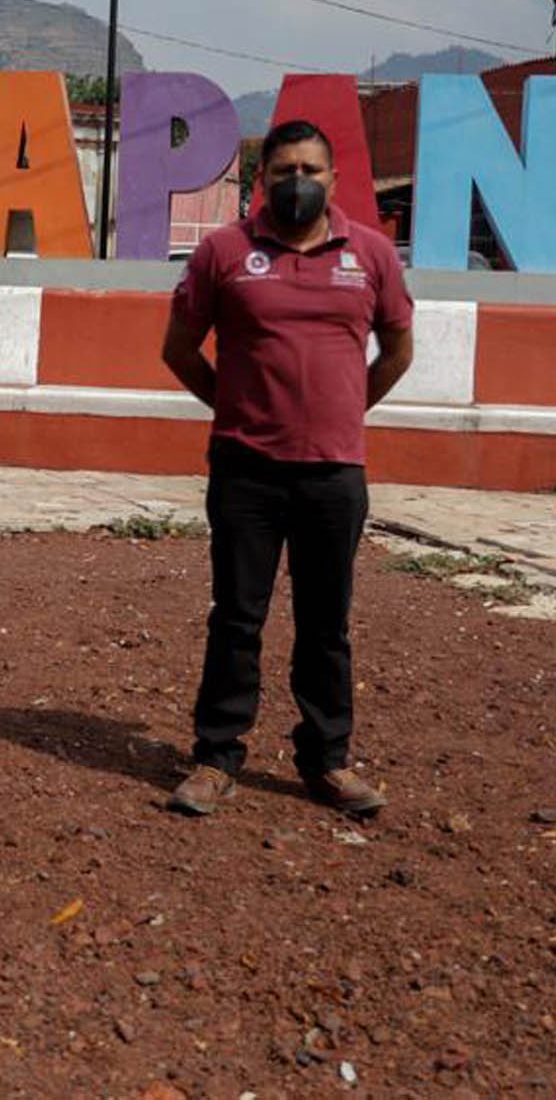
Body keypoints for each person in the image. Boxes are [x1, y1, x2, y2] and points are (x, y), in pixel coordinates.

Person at [160, 119, 415, 819]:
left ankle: (326, 761)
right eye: (281, 171)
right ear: (261, 179)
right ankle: (216, 757)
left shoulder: (371, 254)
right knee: (237, 617)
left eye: (309, 169)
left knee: (326, 621)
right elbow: (179, 348)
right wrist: (232, 405)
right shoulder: (223, 252)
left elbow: (397, 347)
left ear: (333, 179)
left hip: (334, 472)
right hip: (246, 467)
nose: (296, 181)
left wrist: (347, 409)